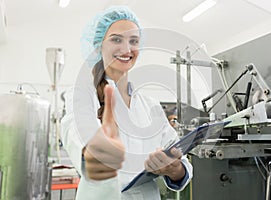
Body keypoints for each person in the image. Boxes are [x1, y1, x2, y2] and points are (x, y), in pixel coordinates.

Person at [61, 5, 193, 200]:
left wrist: (175, 169)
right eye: (116, 39)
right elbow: (75, 131)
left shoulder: (150, 106)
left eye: (134, 41)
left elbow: (178, 155)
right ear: (98, 46)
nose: (127, 48)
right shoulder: (82, 95)